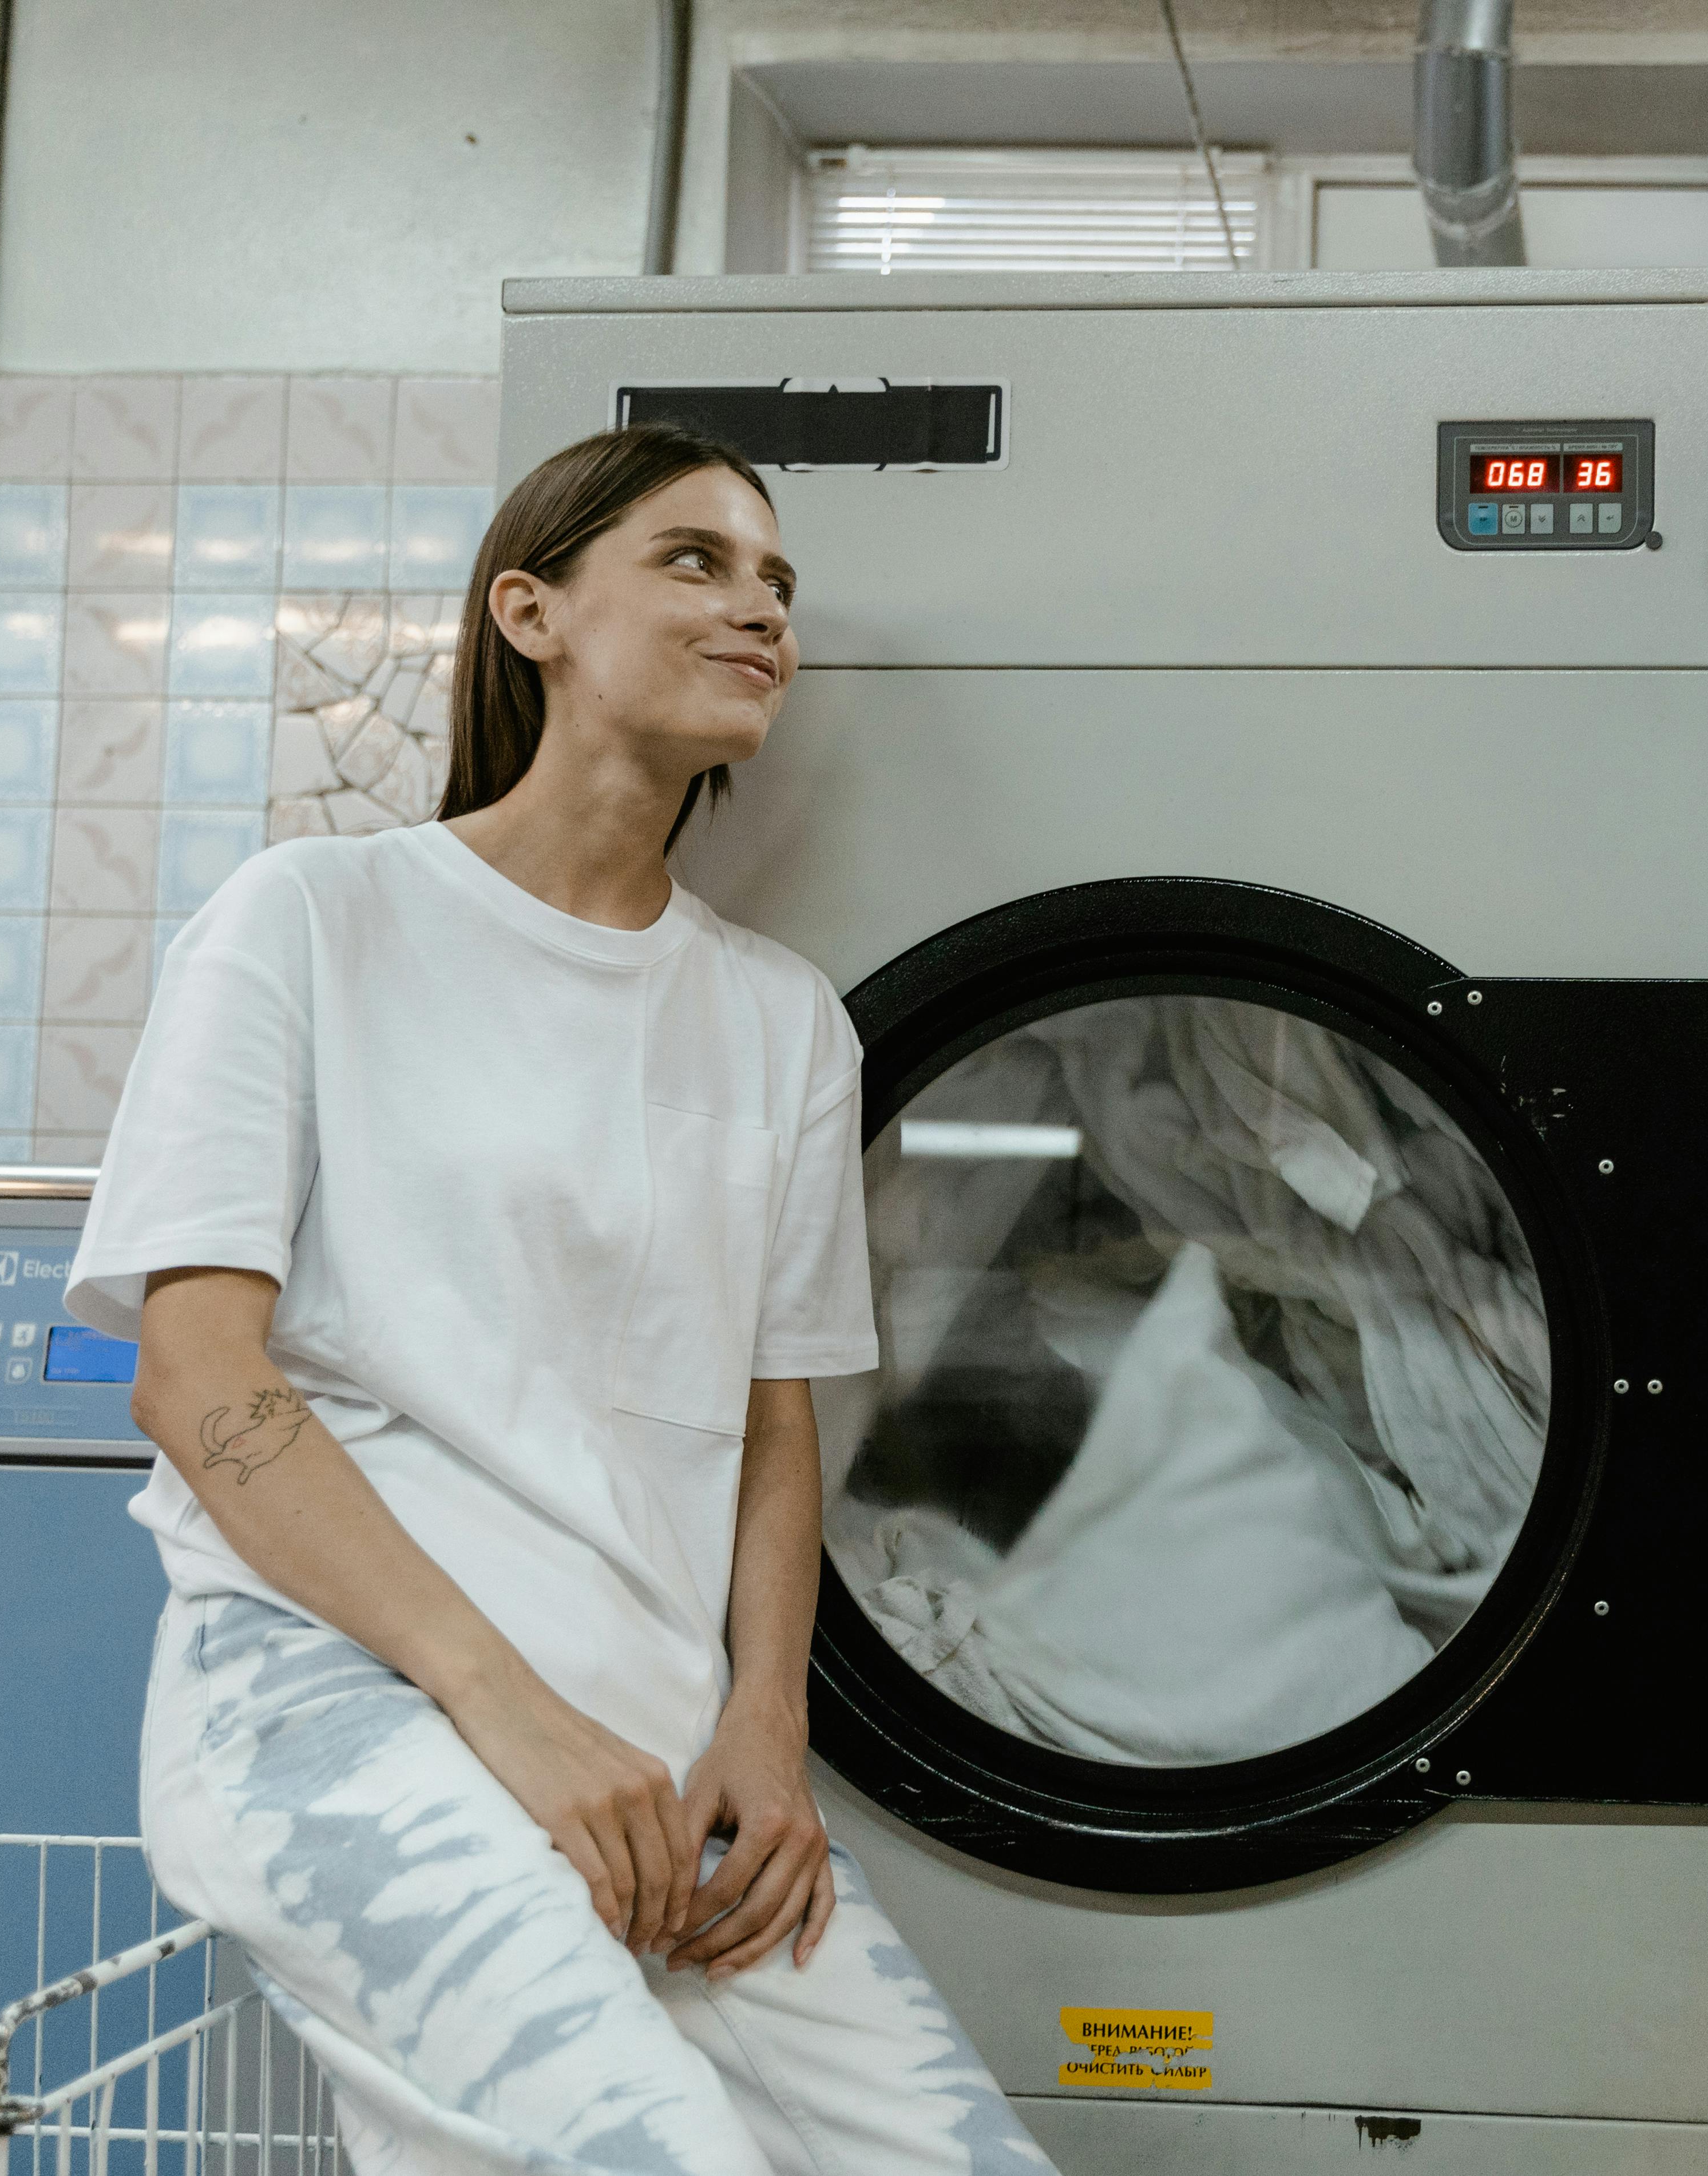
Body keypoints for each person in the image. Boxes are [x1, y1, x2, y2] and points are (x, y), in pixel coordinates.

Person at [70, 423, 1057, 2175]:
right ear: (531, 610)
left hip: (663, 1750)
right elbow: (193, 1372)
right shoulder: (312, 922)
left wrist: (768, 1721)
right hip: (343, 1701)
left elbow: (773, 1421)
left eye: (777, 583)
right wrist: (505, 1710)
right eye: (696, 560)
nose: (758, 608)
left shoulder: (780, 1020)